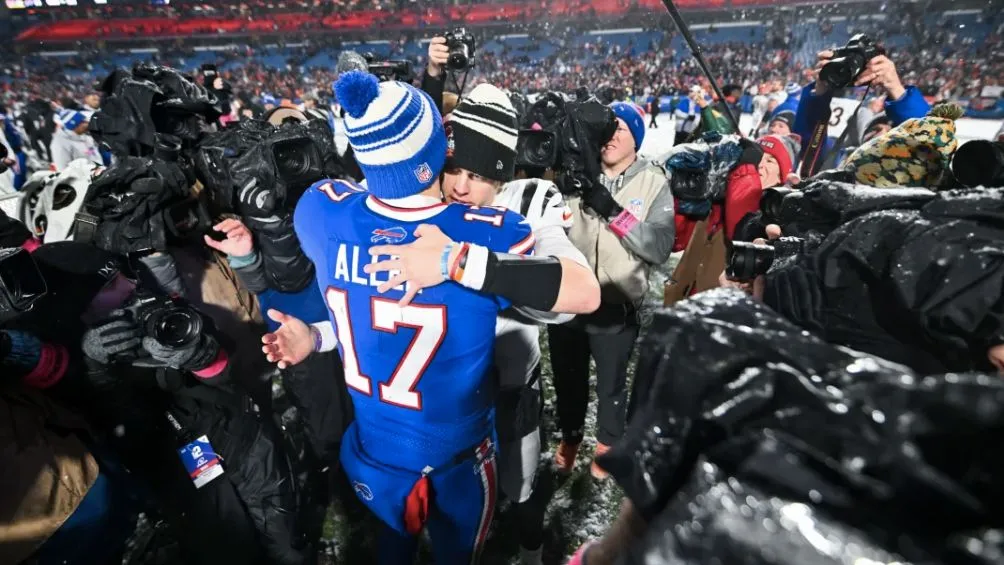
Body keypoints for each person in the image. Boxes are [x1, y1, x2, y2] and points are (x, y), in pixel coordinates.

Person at [268, 70, 537, 564]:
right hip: (456, 454)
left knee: (392, 547)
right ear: (438, 150)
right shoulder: (493, 232)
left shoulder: (322, 213)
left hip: (375, 447)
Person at [363, 83, 600, 565]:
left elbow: (578, 292)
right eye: (453, 168)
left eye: (476, 173)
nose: (460, 186)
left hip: (508, 386)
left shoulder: (528, 201)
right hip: (440, 395)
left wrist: (462, 262)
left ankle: (532, 553)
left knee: (521, 487)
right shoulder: (424, 197)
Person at [550, 101, 675, 480]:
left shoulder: (654, 181)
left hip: (616, 306)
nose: (612, 136)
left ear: (636, 139)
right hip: (569, 302)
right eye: (608, 128)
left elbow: (659, 245)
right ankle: (571, 437)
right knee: (568, 381)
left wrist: (612, 211)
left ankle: (607, 442)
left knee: (611, 386)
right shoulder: (574, 172)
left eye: (622, 129)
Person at [795, 50, 930, 176]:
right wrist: (819, 93)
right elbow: (807, 143)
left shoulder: (905, 171)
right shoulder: (836, 158)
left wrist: (895, 88)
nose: (881, 133)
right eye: (875, 129)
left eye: (889, 132)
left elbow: (930, 144)